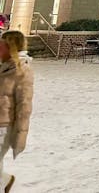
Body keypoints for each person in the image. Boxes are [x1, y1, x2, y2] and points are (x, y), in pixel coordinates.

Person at [0, 30, 34, 192]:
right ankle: (5, 180)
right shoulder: (3, 65)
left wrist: (20, 135)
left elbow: (24, 105)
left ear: (10, 47)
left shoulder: (22, 70)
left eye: (2, 45)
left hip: (4, 126)